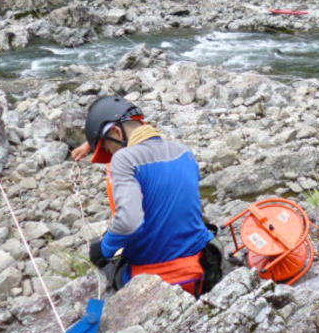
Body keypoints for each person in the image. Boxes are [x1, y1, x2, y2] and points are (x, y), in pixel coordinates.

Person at [72, 95, 222, 296]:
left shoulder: (124, 159)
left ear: (116, 132)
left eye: (108, 147)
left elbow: (128, 222)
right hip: (200, 270)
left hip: (153, 278)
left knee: (102, 263)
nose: (111, 154)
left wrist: (104, 249)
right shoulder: (184, 152)